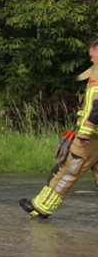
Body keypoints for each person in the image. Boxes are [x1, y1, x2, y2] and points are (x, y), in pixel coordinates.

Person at [21, 39, 98, 218]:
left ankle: (40, 208)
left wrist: (84, 134)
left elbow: (96, 108)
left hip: (91, 137)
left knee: (68, 171)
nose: (91, 59)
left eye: (92, 55)